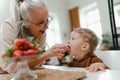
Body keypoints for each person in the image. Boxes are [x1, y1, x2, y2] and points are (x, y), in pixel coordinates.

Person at [0, 0, 67, 73]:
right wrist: (44, 55)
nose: (47, 27)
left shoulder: (42, 31)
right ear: (25, 22)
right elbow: (11, 67)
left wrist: (42, 57)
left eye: (47, 20)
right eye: (40, 23)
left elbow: (38, 64)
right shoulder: (9, 26)